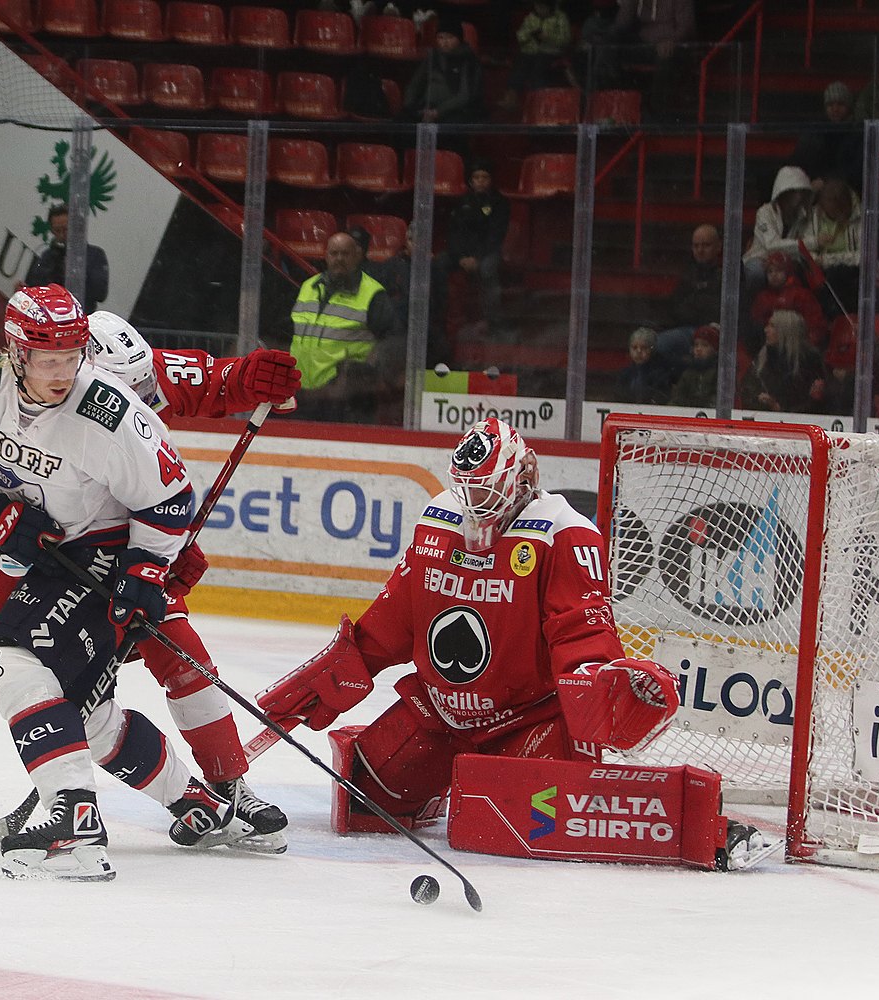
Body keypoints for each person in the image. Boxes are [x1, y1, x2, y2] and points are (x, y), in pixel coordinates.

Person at [0, 309, 300, 854]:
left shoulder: (125, 375)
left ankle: (230, 787)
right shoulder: (26, 385)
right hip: (25, 548)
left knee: (181, 657)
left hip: (113, 550)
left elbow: (210, 391)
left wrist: (254, 376)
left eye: (141, 389)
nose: (135, 397)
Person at [0, 284, 255, 881]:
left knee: (9, 664)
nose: (62, 373)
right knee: (91, 713)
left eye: (72, 358)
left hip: (105, 550)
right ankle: (200, 807)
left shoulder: (107, 412)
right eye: (49, 361)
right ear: (15, 353)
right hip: (54, 559)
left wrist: (145, 573)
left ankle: (72, 821)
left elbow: (172, 498)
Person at [256, 418, 677, 833]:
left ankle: (505, 770)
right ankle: (441, 783)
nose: (475, 500)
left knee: (523, 831)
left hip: (526, 721)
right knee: (366, 805)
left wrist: (597, 682)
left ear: (524, 473)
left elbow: (581, 632)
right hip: (438, 715)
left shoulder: (566, 534)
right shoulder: (439, 518)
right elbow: (398, 616)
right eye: (468, 488)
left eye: (486, 487)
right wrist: (341, 670)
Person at [290, 228, 399, 423]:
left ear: (357, 255)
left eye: (345, 253)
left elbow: (391, 341)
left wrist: (364, 373)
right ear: (325, 255)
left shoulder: (373, 294)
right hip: (301, 393)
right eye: (334, 253)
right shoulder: (308, 286)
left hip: (345, 400)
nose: (339, 258)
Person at [430, 159, 510, 356]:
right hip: (461, 254)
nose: (481, 181)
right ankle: (437, 317)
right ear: (471, 181)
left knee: (487, 269)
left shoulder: (500, 203)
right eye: (477, 177)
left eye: (485, 177)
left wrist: (477, 257)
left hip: (486, 253)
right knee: (439, 262)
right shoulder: (461, 202)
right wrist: (461, 257)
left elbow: (496, 235)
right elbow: (453, 233)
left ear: (490, 180)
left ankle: (493, 321)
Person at [743, 166, 815, 308]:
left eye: (801, 192)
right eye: (794, 192)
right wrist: (812, 243)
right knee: (755, 272)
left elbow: (806, 246)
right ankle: (753, 309)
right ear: (783, 192)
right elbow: (771, 245)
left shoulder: (805, 216)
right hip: (761, 259)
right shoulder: (764, 213)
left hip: (790, 261)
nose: (799, 196)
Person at [653, 223, 722, 366]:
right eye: (696, 246)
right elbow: (675, 307)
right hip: (688, 329)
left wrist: (696, 305)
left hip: (714, 332)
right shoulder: (689, 272)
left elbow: (716, 309)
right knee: (653, 345)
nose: (700, 250)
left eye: (706, 245)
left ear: (718, 246)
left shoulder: (728, 273)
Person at [401, 12, 483, 129]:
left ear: (459, 39)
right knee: (402, 121)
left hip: (455, 112)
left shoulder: (468, 59)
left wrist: (438, 112)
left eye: (450, 37)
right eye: (441, 37)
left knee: (449, 127)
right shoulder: (432, 57)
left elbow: (464, 96)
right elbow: (415, 84)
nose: (444, 42)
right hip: (426, 108)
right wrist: (409, 106)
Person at [24, 204, 110, 315]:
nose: (62, 235)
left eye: (66, 229)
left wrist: (76, 272)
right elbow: (34, 286)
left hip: (80, 318)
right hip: (50, 318)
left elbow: (100, 294)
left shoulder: (95, 255)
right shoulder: (48, 256)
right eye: (57, 230)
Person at [798, 176, 863, 318]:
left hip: (848, 271)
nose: (829, 213)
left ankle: (837, 318)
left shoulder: (859, 218)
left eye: (833, 210)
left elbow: (862, 256)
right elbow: (805, 245)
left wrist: (827, 260)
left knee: (837, 274)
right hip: (818, 270)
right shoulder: (815, 215)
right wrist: (815, 258)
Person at [740, 308, 824, 413]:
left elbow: (815, 403)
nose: (766, 330)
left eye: (772, 326)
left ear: (786, 330)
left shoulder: (809, 361)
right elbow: (747, 391)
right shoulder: (762, 359)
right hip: (764, 420)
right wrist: (760, 400)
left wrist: (780, 409)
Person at [498, 0, 574, 113]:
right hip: (530, 52)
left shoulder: (560, 18)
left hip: (551, 53)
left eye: (542, 7)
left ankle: (538, 101)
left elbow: (565, 40)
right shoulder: (531, 18)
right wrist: (529, 35)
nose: (540, 10)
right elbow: (520, 36)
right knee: (520, 63)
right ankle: (511, 98)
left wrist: (548, 37)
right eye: (537, 7)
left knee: (539, 66)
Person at [791, 82, 865, 194]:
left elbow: (855, 171)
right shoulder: (816, 132)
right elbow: (799, 161)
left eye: (840, 104)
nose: (835, 109)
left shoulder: (858, 133)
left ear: (849, 106)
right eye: (830, 105)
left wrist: (826, 181)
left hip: (847, 192)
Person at [750, 251, 825, 345]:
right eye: (770, 271)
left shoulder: (802, 295)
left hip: (798, 347)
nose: (774, 275)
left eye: (779, 270)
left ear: (788, 271)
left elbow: (816, 325)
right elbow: (756, 325)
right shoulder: (762, 298)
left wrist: (805, 345)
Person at [613, 326, 671, 404]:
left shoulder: (660, 374)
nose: (639, 351)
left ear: (652, 350)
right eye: (634, 347)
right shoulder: (625, 374)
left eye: (644, 348)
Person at [668, 322, 719, 408]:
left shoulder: (718, 373)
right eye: (696, 345)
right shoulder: (688, 373)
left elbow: (717, 401)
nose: (699, 349)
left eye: (704, 345)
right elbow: (678, 399)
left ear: (714, 349)